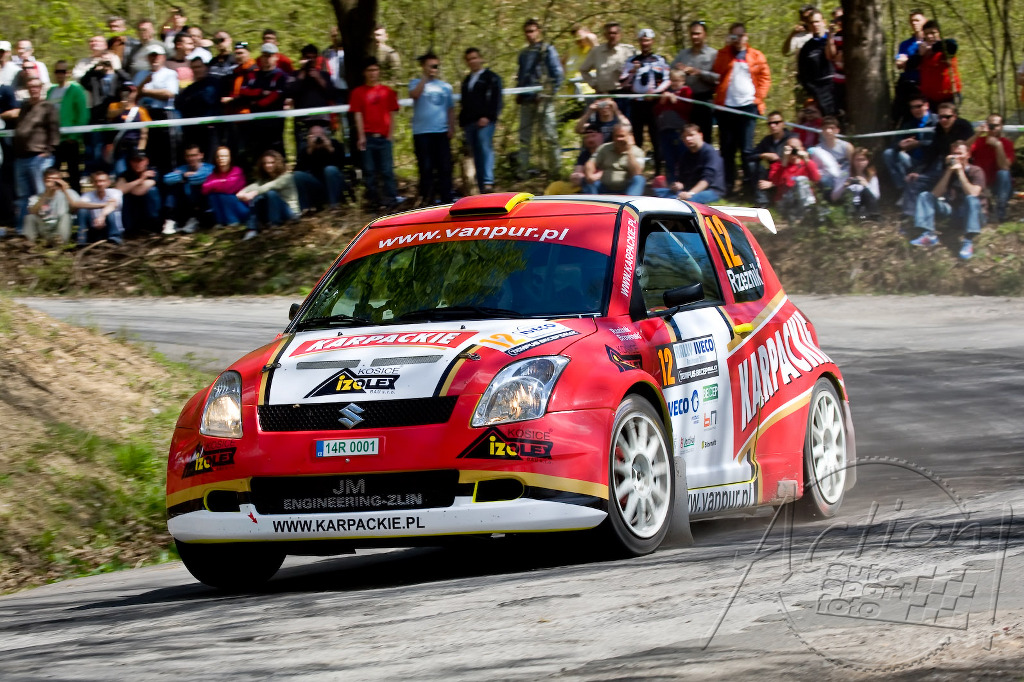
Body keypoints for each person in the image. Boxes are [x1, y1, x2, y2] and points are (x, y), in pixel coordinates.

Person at [712, 23, 771, 197]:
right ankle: (728, 187)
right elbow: (718, 71)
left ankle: (750, 188)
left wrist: (758, 98)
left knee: (747, 150)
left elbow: (765, 77)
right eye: (734, 36)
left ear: (746, 36)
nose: (737, 39)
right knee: (727, 150)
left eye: (740, 36)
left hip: (748, 108)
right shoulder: (723, 54)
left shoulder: (756, 55)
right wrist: (727, 48)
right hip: (726, 107)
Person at [910, 139, 984, 259]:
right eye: (954, 154)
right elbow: (935, 194)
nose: (957, 157)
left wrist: (960, 172)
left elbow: (973, 193)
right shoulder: (949, 171)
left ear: (968, 154)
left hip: (973, 215)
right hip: (953, 213)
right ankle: (928, 234)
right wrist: (949, 171)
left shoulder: (976, 171)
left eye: (960, 154)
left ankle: (968, 241)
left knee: (971, 199)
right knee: (925, 196)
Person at [350, 58, 400, 210]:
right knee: (369, 171)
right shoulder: (358, 92)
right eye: (369, 70)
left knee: (387, 170)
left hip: (384, 137)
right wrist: (361, 136)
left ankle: (391, 200)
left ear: (379, 71)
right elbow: (357, 114)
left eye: (375, 70)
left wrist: (390, 135)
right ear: (364, 73)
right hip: (368, 137)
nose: (373, 73)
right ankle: (373, 201)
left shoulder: (387, 92)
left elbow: (392, 114)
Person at [516, 18, 563, 180]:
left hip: (543, 100)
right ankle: (522, 171)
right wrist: (519, 92)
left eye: (532, 31)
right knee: (524, 138)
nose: (529, 34)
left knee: (550, 136)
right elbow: (521, 75)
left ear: (538, 31)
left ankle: (555, 171)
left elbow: (557, 74)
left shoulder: (547, 50)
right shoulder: (523, 54)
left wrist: (548, 93)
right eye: (527, 31)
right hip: (526, 100)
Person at [12, 77, 58, 232]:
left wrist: (48, 151)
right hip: (21, 158)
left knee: (42, 194)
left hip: (39, 158)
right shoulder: (25, 106)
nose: (33, 89)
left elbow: (54, 131)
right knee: (23, 196)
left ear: (41, 88)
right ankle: (23, 229)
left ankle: (46, 229)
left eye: (36, 86)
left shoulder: (48, 106)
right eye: (30, 86)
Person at [621, 29, 671, 172]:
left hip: (654, 103)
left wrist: (655, 93)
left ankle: (658, 171)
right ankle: (637, 171)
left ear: (652, 41)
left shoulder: (660, 60)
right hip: (637, 103)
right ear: (639, 42)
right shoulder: (631, 61)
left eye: (647, 40)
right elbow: (622, 82)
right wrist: (632, 71)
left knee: (656, 137)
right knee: (637, 138)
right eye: (642, 40)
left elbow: (667, 80)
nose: (645, 43)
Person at [409, 52, 455, 205]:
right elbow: (415, 95)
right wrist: (424, 78)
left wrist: (451, 127)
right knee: (425, 168)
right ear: (423, 66)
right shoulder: (415, 83)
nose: (433, 69)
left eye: (435, 66)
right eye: (430, 66)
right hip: (422, 133)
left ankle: (446, 199)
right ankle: (428, 200)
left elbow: (450, 109)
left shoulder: (445, 87)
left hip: (441, 132)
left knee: (444, 167)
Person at [459, 48, 503, 193]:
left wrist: (488, 117)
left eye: (474, 58)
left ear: (481, 58)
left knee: (485, 145)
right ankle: (481, 186)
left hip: (486, 121)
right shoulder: (467, 81)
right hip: (469, 122)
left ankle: (488, 181)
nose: (472, 61)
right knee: (475, 153)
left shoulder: (491, 77)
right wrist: (462, 121)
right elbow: (464, 102)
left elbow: (496, 100)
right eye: (469, 59)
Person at [238, 43, 290, 158]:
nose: (266, 59)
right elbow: (243, 92)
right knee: (256, 156)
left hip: (275, 124)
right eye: (264, 55)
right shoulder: (252, 75)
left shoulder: (282, 76)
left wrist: (256, 102)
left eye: (270, 56)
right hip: (255, 124)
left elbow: (277, 95)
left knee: (276, 154)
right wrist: (261, 92)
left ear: (276, 57)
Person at [134, 44, 179, 173]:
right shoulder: (140, 74)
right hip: (144, 114)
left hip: (163, 114)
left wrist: (145, 91)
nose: (155, 58)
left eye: (157, 55)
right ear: (147, 58)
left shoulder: (170, 73)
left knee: (166, 150)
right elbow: (134, 95)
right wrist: (143, 86)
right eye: (152, 56)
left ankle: (168, 176)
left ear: (163, 57)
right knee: (148, 150)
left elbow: (169, 94)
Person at [671, 21, 719, 142]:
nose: (694, 37)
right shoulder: (683, 54)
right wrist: (679, 71)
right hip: (685, 99)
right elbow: (670, 71)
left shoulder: (713, 54)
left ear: (705, 34)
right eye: (692, 34)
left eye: (698, 33)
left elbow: (718, 78)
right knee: (686, 136)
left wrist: (699, 72)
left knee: (704, 136)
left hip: (704, 99)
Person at [47, 60, 89, 192]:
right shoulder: (51, 91)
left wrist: (74, 136)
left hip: (70, 140)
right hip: (54, 140)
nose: (60, 74)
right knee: (52, 175)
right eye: (57, 71)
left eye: (63, 71)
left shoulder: (76, 90)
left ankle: (76, 201)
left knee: (74, 175)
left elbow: (83, 115)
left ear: (68, 73)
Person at [237, 150, 298, 240]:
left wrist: (252, 193)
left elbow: (271, 185)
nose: (268, 165)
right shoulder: (265, 179)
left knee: (271, 193)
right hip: (273, 212)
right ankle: (252, 229)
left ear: (278, 163)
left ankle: (275, 226)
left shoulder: (286, 176)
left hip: (290, 212)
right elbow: (255, 185)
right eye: (265, 163)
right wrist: (241, 193)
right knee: (258, 197)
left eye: (271, 163)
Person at [657, 124, 726, 203]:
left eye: (691, 135)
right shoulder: (685, 155)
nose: (688, 139)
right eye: (684, 137)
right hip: (688, 191)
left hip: (711, 191)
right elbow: (682, 179)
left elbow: (707, 180)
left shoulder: (710, 152)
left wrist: (690, 193)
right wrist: (678, 185)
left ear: (700, 135)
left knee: (681, 201)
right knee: (656, 192)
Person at [760, 136, 822, 224]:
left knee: (801, 180)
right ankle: (802, 214)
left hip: (804, 200)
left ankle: (806, 213)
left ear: (802, 149)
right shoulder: (778, 165)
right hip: (786, 201)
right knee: (799, 181)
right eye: (791, 148)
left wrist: (806, 160)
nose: (793, 152)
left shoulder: (807, 164)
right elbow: (776, 182)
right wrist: (784, 161)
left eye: (796, 149)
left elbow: (816, 179)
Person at [883, 95, 937, 195]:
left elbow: (938, 143)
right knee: (889, 153)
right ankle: (902, 188)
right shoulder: (909, 124)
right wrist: (900, 145)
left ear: (926, 105)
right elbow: (895, 143)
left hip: (931, 161)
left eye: (918, 106)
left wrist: (919, 143)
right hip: (912, 160)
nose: (915, 110)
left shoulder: (936, 121)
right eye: (912, 107)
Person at [969, 114, 1014, 222]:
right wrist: (977, 134)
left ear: (1001, 126)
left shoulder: (1007, 143)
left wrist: (998, 145)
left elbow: (1004, 167)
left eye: (996, 125)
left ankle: (1000, 212)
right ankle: (988, 205)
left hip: (1000, 186)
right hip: (981, 183)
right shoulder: (979, 141)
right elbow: (963, 150)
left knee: (1003, 173)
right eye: (991, 125)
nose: (993, 128)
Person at [294, 125, 350, 210]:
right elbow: (298, 171)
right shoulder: (305, 149)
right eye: (314, 135)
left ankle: (334, 206)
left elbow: (342, 164)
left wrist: (330, 148)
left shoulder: (334, 143)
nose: (318, 138)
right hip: (317, 184)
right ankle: (305, 209)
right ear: (309, 137)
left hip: (335, 183)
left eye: (320, 134)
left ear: (325, 135)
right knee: (297, 175)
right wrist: (310, 150)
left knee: (330, 169)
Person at [163, 143, 213, 234]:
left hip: (204, 204)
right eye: (188, 156)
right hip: (186, 202)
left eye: (194, 155)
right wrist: (183, 176)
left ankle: (195, 220)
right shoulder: (183, 168)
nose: (191, 158)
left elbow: (201, 177)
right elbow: (167, 179)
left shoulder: (209, 168)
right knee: (173, 187)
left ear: (201, 155)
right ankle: (170, 220)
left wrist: (184, 177)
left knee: (196, 185)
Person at [583, 122, 646, 195]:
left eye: (622, 136)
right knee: (586, 179)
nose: (618, 139)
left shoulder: (637, 152)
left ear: (629, 136)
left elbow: (636, 173)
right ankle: (593, 201)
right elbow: (591, 163)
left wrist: (629, 151)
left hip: (626, 189)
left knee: (639, 179)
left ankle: (629, 201)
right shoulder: (604, 148)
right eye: (616, 136)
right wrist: (589, 175)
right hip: (604, 188)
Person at [653, 70, 693, 185]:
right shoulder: (666, 92)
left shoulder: (686, 91)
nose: (674, 83)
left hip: (679, 130)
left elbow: (687, 110)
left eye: (677, 81)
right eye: (672, 80)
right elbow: (656, 111)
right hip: (664, 130)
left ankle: (684, 183)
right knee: (668, 158)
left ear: (683, 81)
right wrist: (662, 101)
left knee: (682, 158)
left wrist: (675, 101)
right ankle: (671, 183)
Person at [23, 167, 82, 244]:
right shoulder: (37, 197)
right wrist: (46, 194)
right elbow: (32, 211)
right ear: (44, 180)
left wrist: (65, 191)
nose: (53, 182)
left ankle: (61, 243)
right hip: (44, 228)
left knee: (66, 216)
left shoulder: (70, 193)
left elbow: (75, 208)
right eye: (49, 179)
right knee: (29, 217)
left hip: (61, 228)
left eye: (56, 179)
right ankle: (31, 244)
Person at [177, 57, 221, 158]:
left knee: (211, 158)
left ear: (206, 67)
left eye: (199, 67)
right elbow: (179, 103)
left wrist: (191, 99)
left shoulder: (213, 83)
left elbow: (208, 99)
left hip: (210, 129)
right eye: (193, 68)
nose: (196, 70)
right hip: (192, 130)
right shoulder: (190, 88)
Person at [910, 20, 961, 109]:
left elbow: (952, 45)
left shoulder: (946, 48)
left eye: (933, 33)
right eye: (927, 34)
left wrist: (932, 48)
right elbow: (910, 65)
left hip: (949, 97)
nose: (930, 36)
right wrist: (920, 55)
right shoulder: (922, 52)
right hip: (929, 99)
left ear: (939, 33)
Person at [797, 11, 838, 116]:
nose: (815, 25)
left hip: (838, 85)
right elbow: (803, 74)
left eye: (817, 21)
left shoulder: (835, 40)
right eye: (812, 23)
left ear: (823, 22)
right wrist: (814, 91)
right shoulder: (806, 48)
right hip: (820, 91)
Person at [544, 123, 604, 194]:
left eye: (593, 136)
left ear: (601, 136)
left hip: (600, 185)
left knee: (591, 185)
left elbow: (609, 172)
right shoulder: (584, 154)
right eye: (587, 137)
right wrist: (576, 176)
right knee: (556, 186)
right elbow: (577, 172)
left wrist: (592, 177)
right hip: (581, 184)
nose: (590, 139)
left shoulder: (607, 151)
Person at [104, 83, 150, 176]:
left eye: (131, 91)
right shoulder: (114, 106)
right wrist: (122, 107)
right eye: (125, 91)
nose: (128, 94)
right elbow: (109, 115)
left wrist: (140, 150)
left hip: (135, 147)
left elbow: (144, 132)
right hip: (119, 147)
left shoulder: (141, 110)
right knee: (120, 173)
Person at [578, 22, 635, 96]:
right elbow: (583, 70)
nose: (612, 36)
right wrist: (594, 85)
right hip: (603, 94)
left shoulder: (628, 51)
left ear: (620, 35)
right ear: (605, 35)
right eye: (609, 33)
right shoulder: (596, 52)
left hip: (623, 94)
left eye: (615, 33)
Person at [892, 9, 928, 123]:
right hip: (909, 86)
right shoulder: (906, 44)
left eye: (917, 20)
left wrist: (908, 61)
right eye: (912, 21)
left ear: (925, 21)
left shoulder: (930, 40)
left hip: (926, 84)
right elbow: (899, 64)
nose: (914, 23)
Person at [750, 112, 792, 206]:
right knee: (753, 165)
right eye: (770, 123)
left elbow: (795, 165)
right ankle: (762, 202)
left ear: (783, 123)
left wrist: (773, 183)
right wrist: (764, 155)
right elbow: (751, 155)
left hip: (787, 175)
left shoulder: (792, 138)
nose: (773, 126)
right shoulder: (767, 140)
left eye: (776, 123)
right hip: (772, 173)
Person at [115, 151, 162, 235]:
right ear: (131, 162)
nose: (138, 164)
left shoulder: (153, 172)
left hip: (149, 209)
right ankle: (130, 228)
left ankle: (154, 225)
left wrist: (128, 187)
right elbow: (118, 191)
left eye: (140, 161)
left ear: (146, 161)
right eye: (135, 161)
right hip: (132, 209)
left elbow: (139, 191)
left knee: (152, 190)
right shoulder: (126, 174)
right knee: (123, 197)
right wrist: (141, 180)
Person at [202, 146, 250, 227]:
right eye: (218, 156)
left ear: (230, 158)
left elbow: (229, 188)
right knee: (213, 195)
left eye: (224, 156)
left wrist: (214, 184)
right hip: (224, 211)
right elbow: (204, 189)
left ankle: (233, 221)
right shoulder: (213, 174)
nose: (221, 158)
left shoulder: (237, 171)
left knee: (224, 195)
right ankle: (220, 222)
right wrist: (221, 182)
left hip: (242, 209)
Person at [77, 169, 124, 245]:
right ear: (93, 183)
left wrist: (102, 216)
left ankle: (115, 238)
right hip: (95, 227)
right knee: (82, 210)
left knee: (110, 212)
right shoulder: (88, 195)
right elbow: (79, 204)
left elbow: (113, 205)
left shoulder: (115, 192)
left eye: (102, 181)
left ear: (108, 182)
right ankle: (81, 240)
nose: (99, 184)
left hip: (110, 227)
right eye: (96, 181)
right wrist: (102, 205)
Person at [831, 147, 880, 219]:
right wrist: (844, 186)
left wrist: (866, 185)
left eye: (863, 160)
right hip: (849, 205)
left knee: (865, 192)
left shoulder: (871, 175)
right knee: (849, 191)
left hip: (865, 205)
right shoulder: (845, 173)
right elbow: (834, 197)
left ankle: (872, 217)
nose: (860, 163)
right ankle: (850, 217)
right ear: (853, 161)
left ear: (867, 161)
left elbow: (876, 197)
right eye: (857, 160)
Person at [808, 116, 852, 195]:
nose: (828, 131)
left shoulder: (846, 147)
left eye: (832, 128)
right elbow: (816, 168)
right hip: (827, 178)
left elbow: (853, 165)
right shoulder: (818, 148)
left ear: (837, 130)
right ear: (822, 131)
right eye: (825, 128)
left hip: (844, 177)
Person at [562, 25, 598, 101]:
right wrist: (564, 78)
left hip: (589, 92)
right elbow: (561, 63)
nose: (578, 40)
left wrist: (588, 37)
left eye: (579, 37)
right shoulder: (572, 51)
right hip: (572, 93)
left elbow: (600, 58)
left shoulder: (593, 48)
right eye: (575, 37)